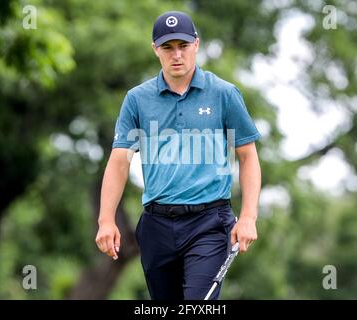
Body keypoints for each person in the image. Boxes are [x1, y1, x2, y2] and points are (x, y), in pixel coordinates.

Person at [95, 10, 262, 300]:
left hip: (209, 223)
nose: (176, 55)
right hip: (156, 225)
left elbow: (247, 157)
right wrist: (105, 220)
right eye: (167, 47)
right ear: (155, 49)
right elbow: (120, 161)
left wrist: (248, 215)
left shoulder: (224, 94)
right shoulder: (137, 99)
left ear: (196, 44)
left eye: (183, 46)